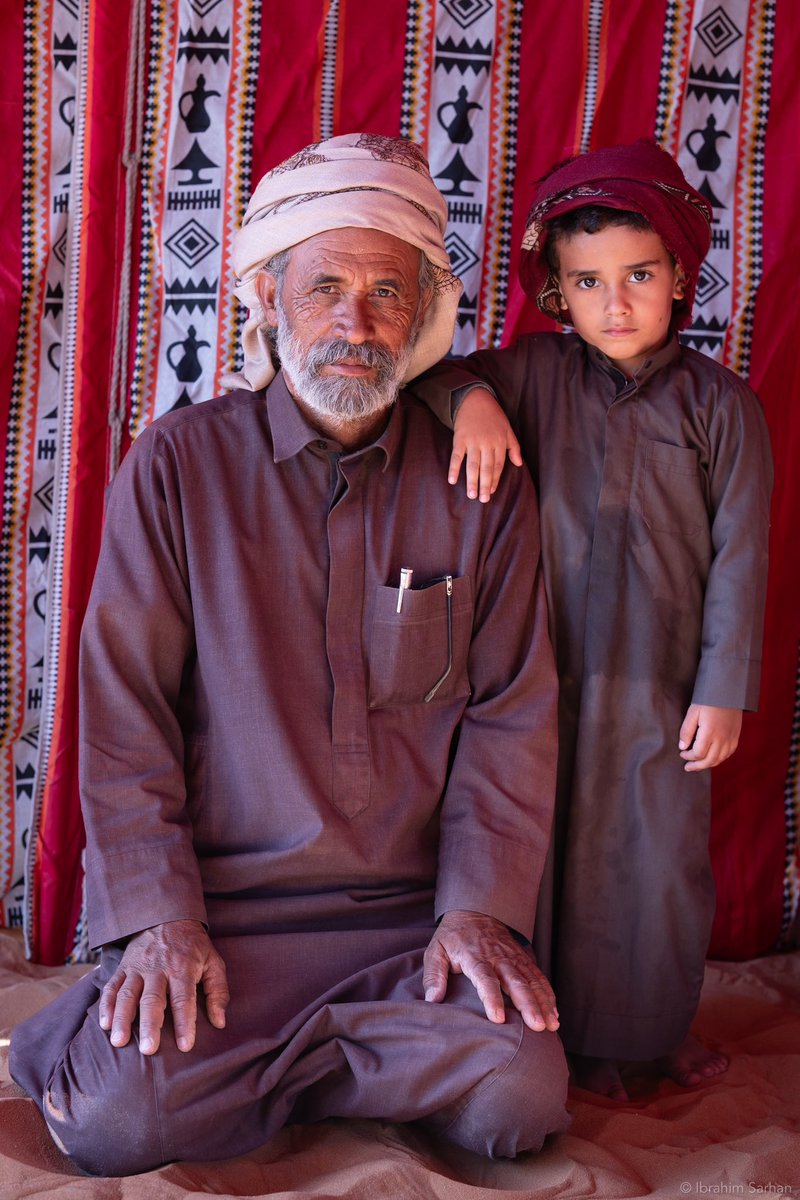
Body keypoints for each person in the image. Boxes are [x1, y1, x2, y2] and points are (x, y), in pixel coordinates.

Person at [9, 133, 569, 1175]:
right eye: (324, 289)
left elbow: (510, 715)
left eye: (385, 293)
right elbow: (125, 711)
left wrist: (478, 915)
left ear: (423, 315)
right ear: (268, 298)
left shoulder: (477, 485)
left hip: (408, 932)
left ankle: (307, 1067)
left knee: (518, 1096)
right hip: (224, 922)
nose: (353, 325)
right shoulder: (179, 466)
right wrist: (160, 922)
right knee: (112, 1123)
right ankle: (263, 1053)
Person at [415, 138, 773, 1101]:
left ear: (679, 278)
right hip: (539, 674)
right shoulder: (534, 376)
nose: (616, 304)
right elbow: (431, 376)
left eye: (640, 275)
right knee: (541, 854)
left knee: (654, 863)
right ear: (556, 293)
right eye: (589, 282)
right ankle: (548, 1035)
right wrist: (477, 398)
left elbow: (744, 557)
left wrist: (724, 691)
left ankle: (649, 1036)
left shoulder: (723, 408)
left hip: (661, 684)